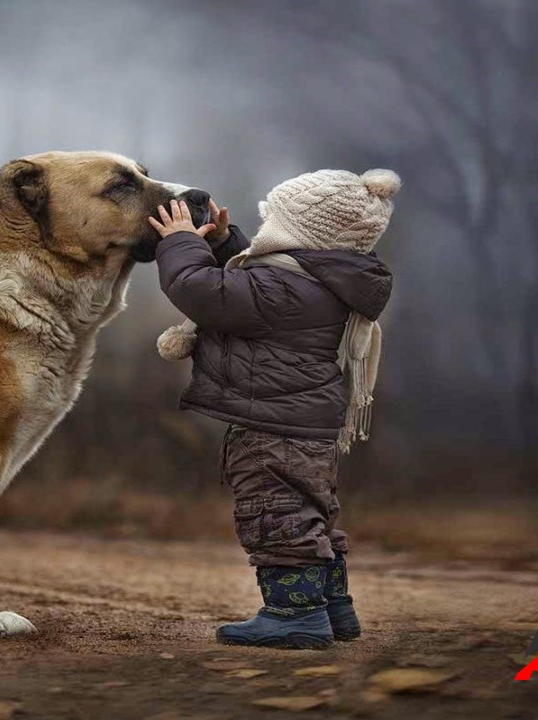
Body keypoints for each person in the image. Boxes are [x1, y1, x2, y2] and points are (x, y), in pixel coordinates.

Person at [147, 169, 400, 649]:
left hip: (272, 426)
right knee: (312, 514)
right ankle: (331, 609)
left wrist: (181, 243)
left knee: (275, 515)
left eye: (273, 221)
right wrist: (224, 242)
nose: (265, 232)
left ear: (298, 233)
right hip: (305, 423)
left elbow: (201, 290)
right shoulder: (320, 280)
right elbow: (253, 283)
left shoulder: (284, 291)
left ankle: (293, 616)